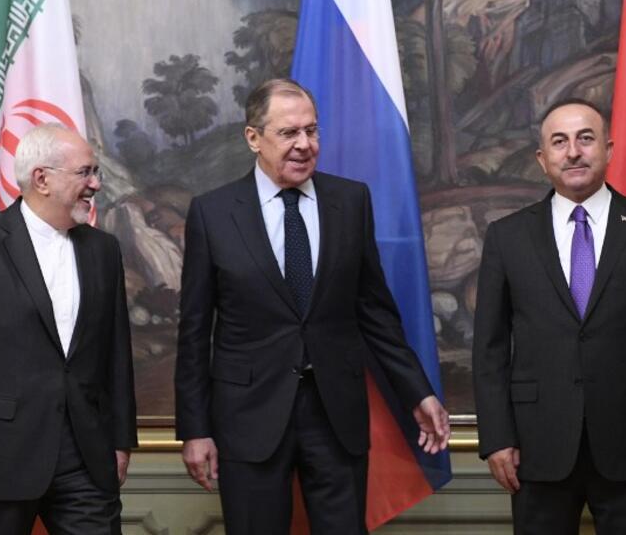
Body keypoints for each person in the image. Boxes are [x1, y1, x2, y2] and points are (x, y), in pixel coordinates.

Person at [175, 78, 450, 535]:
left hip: (335, 414)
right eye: (288, 133)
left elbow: (375, 314)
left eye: (312, 131)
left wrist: (417, 392)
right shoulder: (213, 212)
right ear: (253, 138)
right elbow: (194, 330)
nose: (305, 145)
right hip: (249, 417)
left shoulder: (350, 201)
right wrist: (195, 429)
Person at [472, 99, 626, 534]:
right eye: (559, 142)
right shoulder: (507, 238)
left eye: (585, 138)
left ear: (609, 149)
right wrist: (498, 438)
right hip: (536, 448)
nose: (573, 152)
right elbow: (489, 351)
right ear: (542, 159)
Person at [0, 124, 137, 534]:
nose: (96, 184)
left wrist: (120, 441)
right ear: (41, 179)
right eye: (85, 172)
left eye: (95, 172)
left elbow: (116, 355)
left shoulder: (104, 251)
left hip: (84, 459)